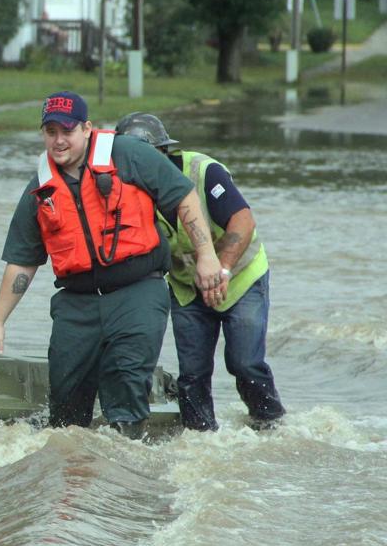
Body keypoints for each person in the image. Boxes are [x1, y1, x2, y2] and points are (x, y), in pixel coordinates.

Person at [0, 91, 225, 437]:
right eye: (50, 132)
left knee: (125, 377)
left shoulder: (129, 155)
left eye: (67, 131)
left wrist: (208, 256)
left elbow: (183, 196)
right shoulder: (40, 188)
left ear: (87, 128)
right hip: (77, 303)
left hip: (137, 289)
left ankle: (124, 465)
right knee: (65, 401)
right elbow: (22, 262)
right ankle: (73, 476)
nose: (59, 140)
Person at [116, 112, 286, 431]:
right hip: (186, 287)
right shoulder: (126, 192)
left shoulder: (203, 171)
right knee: (192, 374)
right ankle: (201, 438)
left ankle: (270, 423)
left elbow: (243, 220)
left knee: (245, 363)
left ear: (163, 152)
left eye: (143, 157)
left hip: (239, 278)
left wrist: (221, 268)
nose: (136, 167)